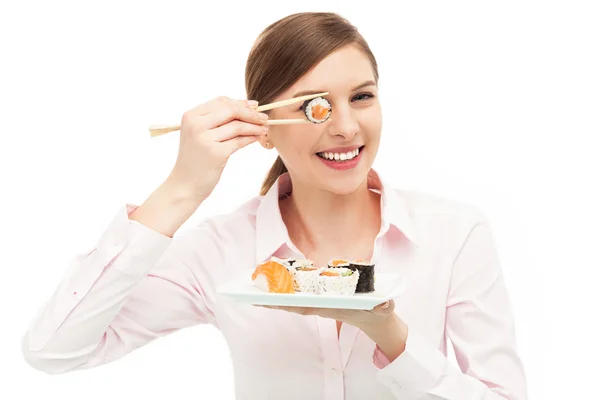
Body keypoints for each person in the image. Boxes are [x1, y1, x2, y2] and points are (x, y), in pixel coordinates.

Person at [21, 11, 528, 400]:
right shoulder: (220, 252)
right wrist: (182, 188)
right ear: (262, 127)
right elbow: (53, 351)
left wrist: (391, 337)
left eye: (363, 96)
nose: (347, 128)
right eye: (316, 106)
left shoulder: (454, 233)